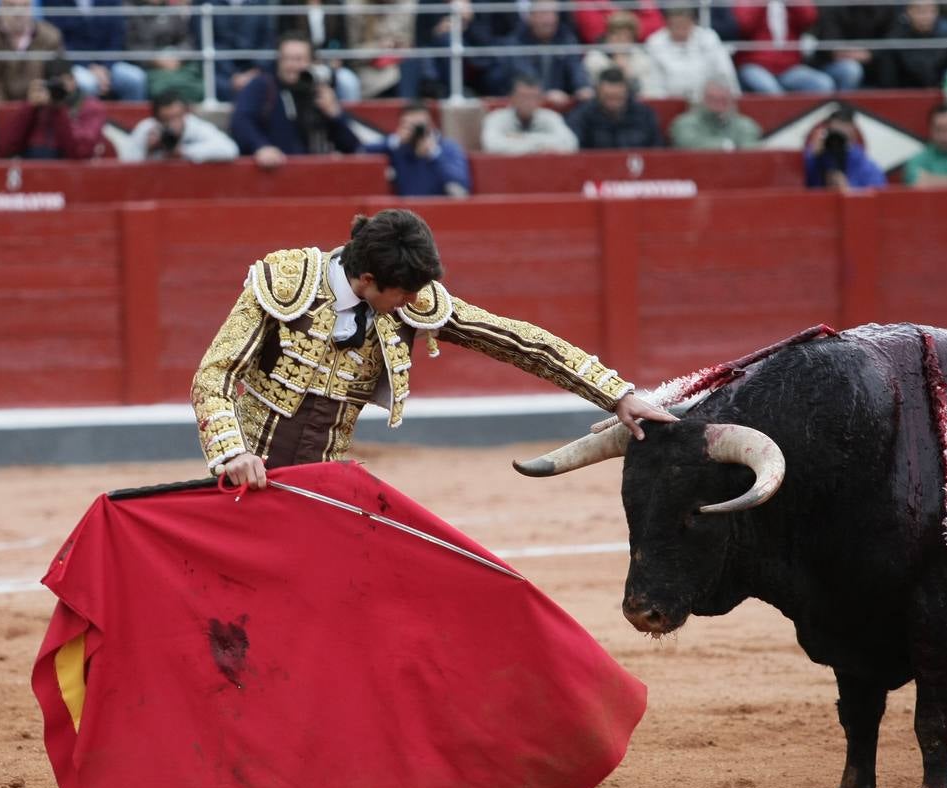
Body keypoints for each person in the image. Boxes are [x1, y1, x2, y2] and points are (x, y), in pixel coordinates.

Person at [192, 208, 676, 488]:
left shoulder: (407, 299)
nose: (412, 303)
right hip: (246, 479)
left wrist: (617, 394)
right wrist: (232, 454)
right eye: (402, 294)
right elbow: (212, 377)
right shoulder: (287, 282)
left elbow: (517, 340)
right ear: (366, 279)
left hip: (325, 484)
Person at [229, 33, 361, 169]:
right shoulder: (262, 85)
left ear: (312, 63)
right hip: (275, 172)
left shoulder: (319, 92)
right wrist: (261, 146)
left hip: (313, 174)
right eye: (286, 59)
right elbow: (241, 121)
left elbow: (351, 146)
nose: (291, 65)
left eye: (299, 59)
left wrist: (334, 114)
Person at [0, 56, 110, 159]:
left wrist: (59, 109)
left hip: (72, 175)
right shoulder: (37, 107)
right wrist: (30, 107)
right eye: (54, 84)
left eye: (63, 82)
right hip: (34, 172)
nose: (59, 88)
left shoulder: (90, 107)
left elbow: (80, 152)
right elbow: (4, 149)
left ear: (74, 80)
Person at [45, 0, 148, 101]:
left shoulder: (113, 1)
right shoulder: (55, 2)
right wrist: (88, 66)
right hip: (74, 63)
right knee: (88, 84)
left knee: (136, 78)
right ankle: (90, 116)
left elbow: (117, 37)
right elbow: (60, 41)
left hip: (108, 63)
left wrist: (105, 67)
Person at [491, 1, 591, 104]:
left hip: (561, 100)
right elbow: (524, 73)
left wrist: (582, 86)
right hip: (526, 103)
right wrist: (546, 92)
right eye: (543, 13)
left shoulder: (566, 38)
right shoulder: (516, 41)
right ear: (530, 17)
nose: (549, 20)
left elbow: (576, 67)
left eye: (553, 13)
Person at [364, 103, 471, 196]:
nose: (415, 131)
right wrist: (396, 140)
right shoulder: (399, 147)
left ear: (430, 124)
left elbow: (461, 187)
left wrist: (434, 154)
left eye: (419, 126)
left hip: (439, 210)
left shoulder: (447, 148)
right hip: (406, 215)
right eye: (409, 126)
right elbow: (362, 152)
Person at [732, 0, 835, 94]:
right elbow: (743, 25)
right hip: (754, 64)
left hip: (788, 67)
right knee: (771, 90)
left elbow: (809, 18)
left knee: (823, 84)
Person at [0, 0, 62, 103]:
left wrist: (45, 96)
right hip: (2, 112)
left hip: (40, 110)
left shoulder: (51, 37)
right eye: (11, 6)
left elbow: (59, 82)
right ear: (0, 6)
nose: (18, 12)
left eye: (25, 6)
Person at [641, 6, 739, 100]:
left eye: (684, 25)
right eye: (676, 25)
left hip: (707, 102)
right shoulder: (655, 42)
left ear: (693, 22)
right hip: (670, 101)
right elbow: (653, 83)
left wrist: (735, 97)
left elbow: (724, 73)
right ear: (667, 24)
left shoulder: (708, 38)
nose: (680, 30)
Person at [123, 90, 240, 163]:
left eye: (177, 117)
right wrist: (147, 150)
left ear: (186, 114)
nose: (172, 123)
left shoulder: (196, 127)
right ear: (157, 119)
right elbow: (126, 163)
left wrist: (183, 152)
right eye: (166, 119)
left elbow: (230, 149)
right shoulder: (146, 129)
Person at [565, 67, 662, 150]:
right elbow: (575, 148)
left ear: (626, 93)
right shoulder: (583, 116)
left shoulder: (644, 115)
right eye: (608, 97)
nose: (613, 103)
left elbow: (657, 149)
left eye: (618, 98)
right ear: (598, 93)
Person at [807, 2, 896, 91]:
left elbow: (891, 39)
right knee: (850, 69)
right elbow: (830, 43)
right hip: (832, 64)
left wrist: (871, 54)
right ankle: (843, 104)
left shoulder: (886, 8)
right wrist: (856, 54)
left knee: (889, 64)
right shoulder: (834, 6)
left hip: (875, 63)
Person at [480, 74, 578, 155]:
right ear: (512, 98)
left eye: (533, 97)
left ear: (540, 99)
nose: (528, 102)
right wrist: (540, 147)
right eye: (523, 97)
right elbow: (491, 145)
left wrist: (521, 141)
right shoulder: (496, 118)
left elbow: (570, 143)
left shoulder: (551, 117)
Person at [873, 0, 947, 89]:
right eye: (920, 11)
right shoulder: (895, 38)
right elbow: (888, 81)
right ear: (908, 12)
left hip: (941, 93)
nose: (925, 16)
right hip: (905, 93)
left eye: (931, 11)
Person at [803, 107, 885, 190]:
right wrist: (812, 156)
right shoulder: (815, 161)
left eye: (842, 136)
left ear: (853, 133)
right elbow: (800, 186)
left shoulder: (866, 167)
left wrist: (848, 191)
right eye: (834, 135)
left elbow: (878, 196)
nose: (837, 143)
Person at [668, 78, 761, 150]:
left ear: (731, 101)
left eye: (723, 100)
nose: (718, 105)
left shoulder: (745, 125)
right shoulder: (685, 123)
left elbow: (750, 149)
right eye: (712, 99)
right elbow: (688, 143)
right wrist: (724, 146)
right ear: (702, 100)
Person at [581, 11, 654, 96]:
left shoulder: (641, 58)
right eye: (617, 36)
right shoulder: (594, 58)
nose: (621, 41)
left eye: (627, 37)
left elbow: (647, 93)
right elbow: (593, 93)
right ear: (608, 36)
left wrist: (629, 76)